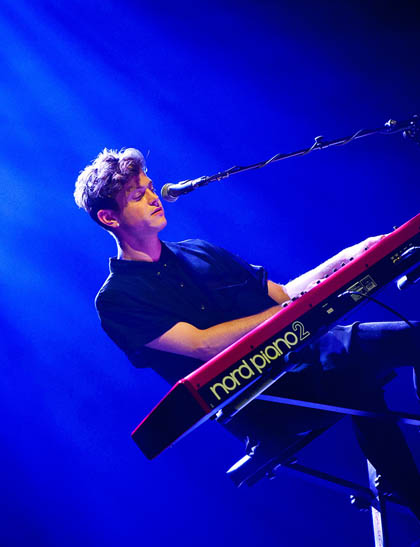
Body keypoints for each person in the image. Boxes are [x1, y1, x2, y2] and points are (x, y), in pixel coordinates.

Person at [73, 147, 420, 519]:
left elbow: (285, 295)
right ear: (109, 218)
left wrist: (350, 256)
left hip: (310, 360)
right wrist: (284, 315)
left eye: (150, 187)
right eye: (138, 196)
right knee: (377, 352)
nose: (155, 198)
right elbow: (202, 345)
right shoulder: (116, 299)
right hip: (262, 403)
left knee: (361, 382)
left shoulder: (200, 250)